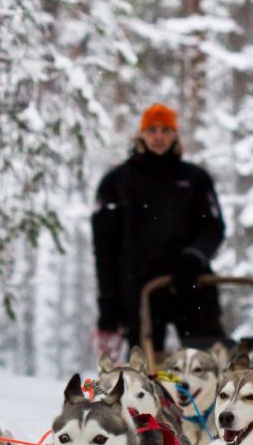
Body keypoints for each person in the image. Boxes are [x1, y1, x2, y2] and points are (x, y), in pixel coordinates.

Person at [91, 103, 226, 360]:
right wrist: (107, 303)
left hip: (190, 283)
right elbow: (104, 248)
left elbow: (214, 228)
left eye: (165, 130)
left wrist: (194, 256)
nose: (159, 136)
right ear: (141, 134)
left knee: (209, 363)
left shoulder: (195, 179)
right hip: (138, 293)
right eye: (152, 130)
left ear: (175, 135)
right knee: (146, 375)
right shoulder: (116, 183)